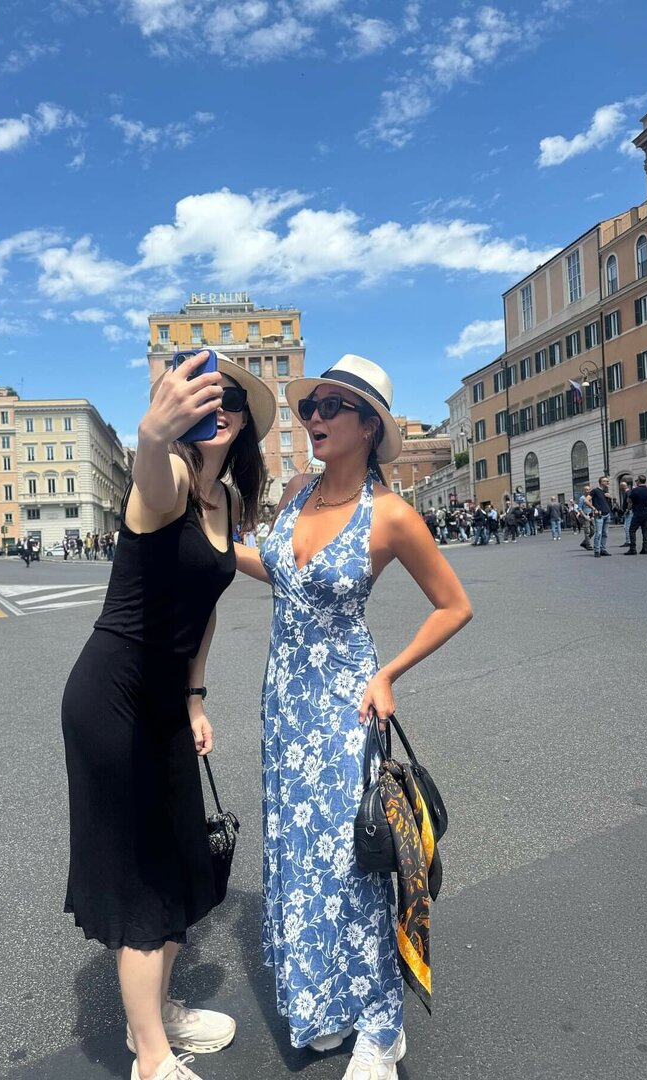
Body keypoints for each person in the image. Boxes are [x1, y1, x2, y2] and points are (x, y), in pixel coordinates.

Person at [234, 354, 472, 1079]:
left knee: (354, 859)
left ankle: (381, 1026)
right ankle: (326, 1001)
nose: (314, 418)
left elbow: (454, 606)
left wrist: (388, 672)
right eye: (311, 407)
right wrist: (215, 550)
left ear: (369, 426)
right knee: (298, 853)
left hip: (346, 703)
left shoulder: (389, 514)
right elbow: (282, 573)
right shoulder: (297, 492)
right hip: (285, 704)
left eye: (331, 407)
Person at [61, 351, 276, 1080]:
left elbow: (204, 610)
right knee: (145, 875)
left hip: (165, 700)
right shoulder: (174, 478)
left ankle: (156, 1012)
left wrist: (195, 696)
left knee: (184, 856)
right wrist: (153, 437)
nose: (218, 410)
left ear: (245, 425)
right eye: (206, 397)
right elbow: (152, 477)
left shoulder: (226, 503)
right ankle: (150, 1055)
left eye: (231, 402)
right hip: (113, 694)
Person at [625, 475, 647, 555]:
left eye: (636, 480)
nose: (636, 482)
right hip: (646, 512)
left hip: (637, 512)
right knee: (645, 530)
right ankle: (645, 548)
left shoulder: (635, 490)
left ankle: (633, 548)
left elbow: (629, 501)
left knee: (632, 530)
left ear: (639, 481)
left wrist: (628, 508)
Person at [590, 476, 612, 557]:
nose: (607, 482)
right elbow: (586, 500)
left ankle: (603, 549)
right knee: (598, 533)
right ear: (601, 482)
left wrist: (609, 497)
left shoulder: (605, 492)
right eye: (605, 481)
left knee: (605, 533)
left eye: (607, 481)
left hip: (607, 514)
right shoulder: (595, 491)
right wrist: (594, 509)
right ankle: (597, 550)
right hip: (599, 515)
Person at [577, 485, 594, 551]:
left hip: (592, 516)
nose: (588, 491)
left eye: (589, 489)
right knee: (587, 532)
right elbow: (579, 508)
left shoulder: (591, 497)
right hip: (586, 516)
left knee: (593, 531)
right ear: (583, 491)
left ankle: (584, 542)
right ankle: (588, 545)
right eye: (586, 490)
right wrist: (584, 516)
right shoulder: (582, 498)